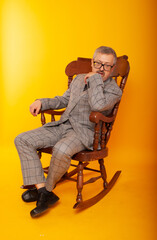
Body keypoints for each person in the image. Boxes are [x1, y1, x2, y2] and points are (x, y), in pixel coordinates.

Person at [14, 46, 122, 218]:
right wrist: (42, 102)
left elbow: (98, 106)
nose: (101, 68)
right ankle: (43, 191)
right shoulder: (79, 79)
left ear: (113, 68)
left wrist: (95, 80)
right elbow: (63, 100)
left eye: (107, 65)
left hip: (85, 132)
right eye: (98, 63)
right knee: (22, 139)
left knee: (61, 150)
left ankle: (47, 189)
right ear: (92, 63)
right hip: (63, 125)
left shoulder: (114, 90)